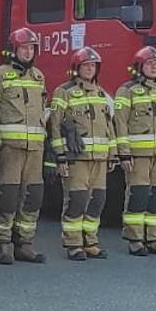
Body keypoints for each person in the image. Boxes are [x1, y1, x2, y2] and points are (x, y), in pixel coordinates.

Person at [0, 27, 48, 264]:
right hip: (10, 149)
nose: (28, 52)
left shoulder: (38, 77)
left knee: (32, 196)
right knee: (7, 195)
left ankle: (24, 243)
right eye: (24, 48)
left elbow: (43, 111)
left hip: (35, 150)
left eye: (32, 48)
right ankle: (3, 245)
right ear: (14, 50)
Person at [48, 48, 115, 261]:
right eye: (85, 65)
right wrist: (60, 156)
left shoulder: (102, 94)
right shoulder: (64, 92)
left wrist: (112, 154)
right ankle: (74, 244)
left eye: (93, 65)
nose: (89, 68)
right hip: (76, 158)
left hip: (100, 159)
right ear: (76, 68)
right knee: (77, 200)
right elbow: (55, 126)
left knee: (97, 200)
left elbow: (109, 127)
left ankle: (91, 241)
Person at [114, 46, 156, 255]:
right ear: (139, 67)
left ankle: (153, 238)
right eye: (149, 63)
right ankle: (134, 239)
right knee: (138, 196)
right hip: (138, 156)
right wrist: (124, 153)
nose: (153, 67)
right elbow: (120, 124)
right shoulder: (127, 91)